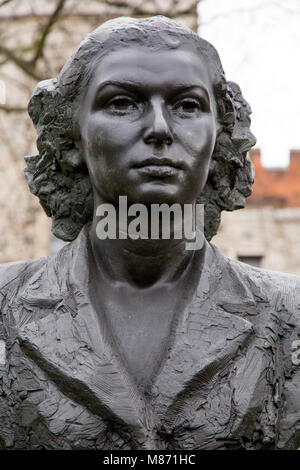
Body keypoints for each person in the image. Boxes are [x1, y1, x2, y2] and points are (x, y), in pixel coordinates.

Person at [0, 16, 300, 450]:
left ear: (219, 136)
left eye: (188, 106)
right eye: (122, 103)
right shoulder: (6, 309)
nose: (160, 128)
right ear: (71, 137)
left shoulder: (291, 316)